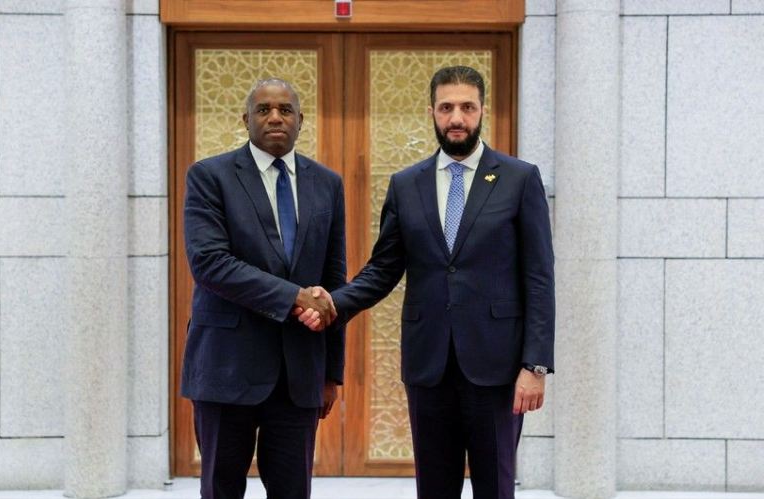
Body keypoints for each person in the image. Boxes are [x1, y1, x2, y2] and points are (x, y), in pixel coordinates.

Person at [299, 66, 555, 499]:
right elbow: (383, 269)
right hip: (428, 365)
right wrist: (334, 303)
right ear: (432, 112)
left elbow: (539, 278)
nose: (457, 118)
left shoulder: (519, 178)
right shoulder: (406, 185)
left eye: (467, 107)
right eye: (446, 107)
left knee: (496, 486)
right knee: (434, 488)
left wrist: (536, 366)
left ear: (482, 111)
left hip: (497, 365)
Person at [181, 78, 346, 499]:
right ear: (246, 119)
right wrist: (293, 297)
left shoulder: (327, 184)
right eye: (264, 109)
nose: (275, 117)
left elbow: (333, 282)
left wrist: (331, 373)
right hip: (225, 367)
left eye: (285, 110)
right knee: (221, 489)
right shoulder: (209, 177)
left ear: (300, 120)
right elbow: (210, 264)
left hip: (298, 373)